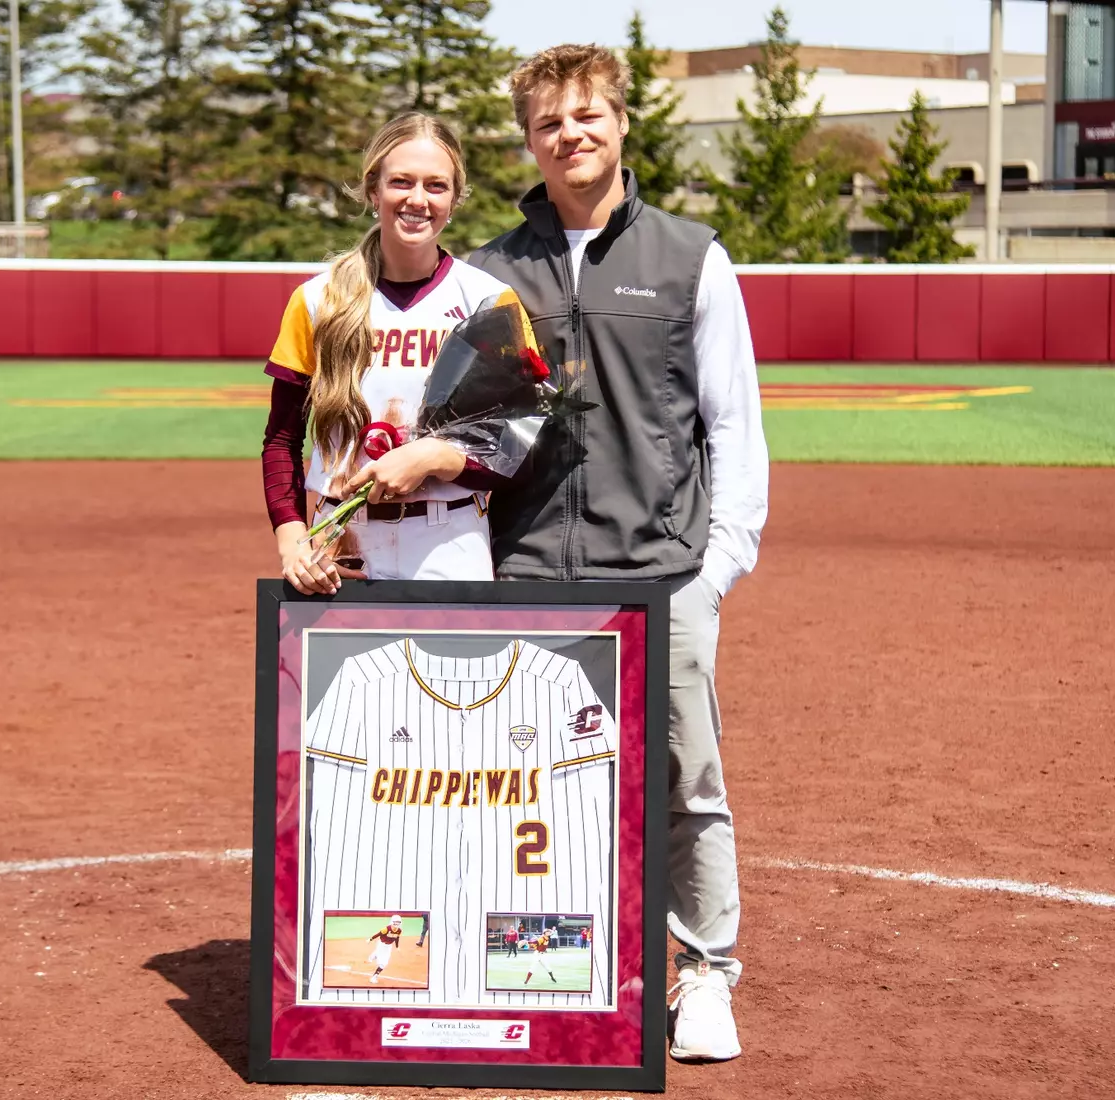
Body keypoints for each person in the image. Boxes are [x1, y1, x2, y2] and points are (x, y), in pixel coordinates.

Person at [469, 44, 769, 1063]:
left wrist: (718, 563)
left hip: (662, 571)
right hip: (526, 577)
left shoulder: (692, 257)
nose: (573, 134)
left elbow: (733, 426)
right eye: (551, 122)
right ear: (529, 141)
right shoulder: (491, 272)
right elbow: (467, 431)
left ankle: (704, 972)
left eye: (590, 114)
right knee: (532, 781)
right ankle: (549, 970)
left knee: (687, 780)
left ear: (623, 122)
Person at [262, 112, 532, 593]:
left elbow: (518, 449)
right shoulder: (318, 300)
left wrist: (434, 458)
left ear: (455, 198)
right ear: (373, 191)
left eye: (436, 186)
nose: (417, 199)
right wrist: (292, 536)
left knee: (449, 672)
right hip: (339, 544)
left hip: (449, 540)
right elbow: (282, 440)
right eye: (401, 182)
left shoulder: (488, 301)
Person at [366, 914, 402, 984]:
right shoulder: (386, 929)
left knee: (381, 956)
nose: (397, 924)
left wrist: (397, 947)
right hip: (381, 945)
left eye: (398, 922)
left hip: (388, 947)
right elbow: (378, 934)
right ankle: (373, 977)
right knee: (383, 963)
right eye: (395, 922)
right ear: (392, 922)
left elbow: (397, 938)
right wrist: (370, 939)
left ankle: (372, 956)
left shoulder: (399, 931)